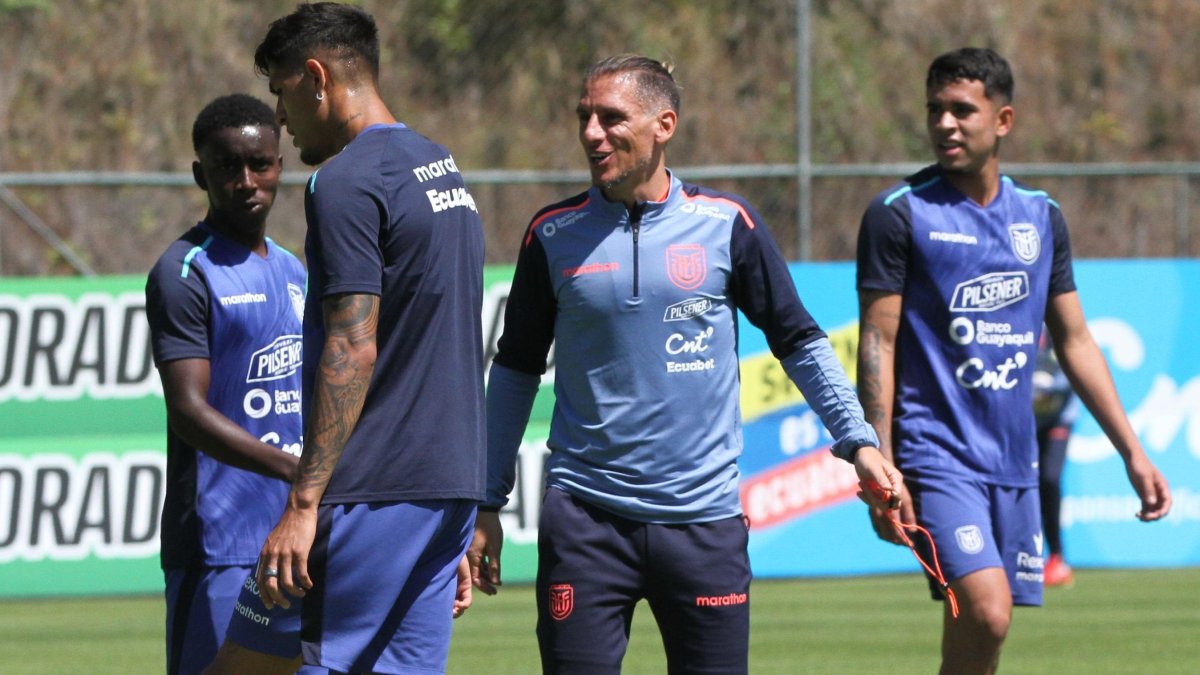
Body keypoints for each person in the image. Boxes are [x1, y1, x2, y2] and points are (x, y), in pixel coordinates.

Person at [469, 54, 903, 674]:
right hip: (587, 521)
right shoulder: (551, 233)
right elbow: (514, 370)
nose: (592, 133)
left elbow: (799, 341)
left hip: (704, 525)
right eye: (584, 117)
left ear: (664, 125)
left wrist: (859, 442)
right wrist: (486, 501)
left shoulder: (728, 225)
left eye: (611, 117)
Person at [855, 47, 1172, 675]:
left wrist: (1132, 451)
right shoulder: (899, 215)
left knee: (984, 635)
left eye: (961, 110)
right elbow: (878, 344)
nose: (945, 123)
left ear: (1003, 120)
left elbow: (1076, 342)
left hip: (1012, 457)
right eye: (935, 110)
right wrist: (880, 463)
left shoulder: (1041, 216)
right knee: (986, 610)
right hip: (934, 455)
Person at [232, 3, 486, 674]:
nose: (281, 120)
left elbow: (352, 343)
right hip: (447, 483)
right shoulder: (441, 168)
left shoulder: (346, 180)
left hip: (374, 486)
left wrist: (303, 502)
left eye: (282, 94)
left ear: (316, 78)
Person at [146, 93, 305, 675]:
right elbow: (187, 410)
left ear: (279, 167)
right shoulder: (185, 271)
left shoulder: (294, 270)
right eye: (226, 167)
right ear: (199, 174)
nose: (246, 181)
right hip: (219, 544)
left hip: (298, 537)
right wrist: (294, 469)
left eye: (260, 164)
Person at [1032, 329, 1079, 587]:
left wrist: (1046, 389)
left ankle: (1057, 558)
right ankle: (1025, 555)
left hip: (1058, 416)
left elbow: (1076, 362)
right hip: (1022, 420)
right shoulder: (1006, 322)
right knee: (1022, 484)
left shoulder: (1055, 325)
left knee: (1049, 479)